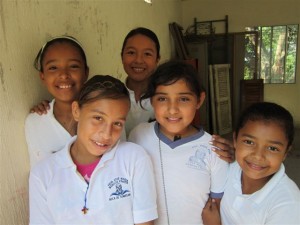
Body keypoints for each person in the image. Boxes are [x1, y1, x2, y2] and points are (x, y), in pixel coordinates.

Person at [29, 27, 234, 162]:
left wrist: (211, 148)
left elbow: (186, 132)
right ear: (122, 56)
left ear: (157, 58)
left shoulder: (163, 99)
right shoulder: (112, 95)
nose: (138, 60)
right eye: (131, 52)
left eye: (147, 54)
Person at [29, 75, 158, 225]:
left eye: (117, 123)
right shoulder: (43, 174)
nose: (106, 134)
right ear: (76, 111)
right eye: (98, 118)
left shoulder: (134, 158)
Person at [128, 60, 229, 225]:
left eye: (183, 99)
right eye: (162, 98)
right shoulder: (138, 136)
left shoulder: (214, 150)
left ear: (199, 100)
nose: (172, 109)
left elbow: (216, 207)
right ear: (152, 101)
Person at [202, 102, 300, 225]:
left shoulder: (288, 205)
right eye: (249, 142)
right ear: (235, 140)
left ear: (285, 153)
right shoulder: (228, 165)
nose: (258, 156)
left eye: (272, 148)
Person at [25, 35, 89, 167]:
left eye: (73, 66)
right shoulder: (35, 122)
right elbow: (39, 176)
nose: (64, 74)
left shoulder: (106, 115)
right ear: (42, 76)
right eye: (53, 68)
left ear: (86, 73)